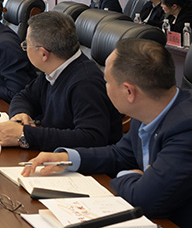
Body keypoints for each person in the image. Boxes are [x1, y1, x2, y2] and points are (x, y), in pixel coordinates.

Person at [22, 39, 192, 226]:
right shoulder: (147, 109)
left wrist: (126, 176)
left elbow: (145, 199)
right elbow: (120, 154)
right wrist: (67, 158)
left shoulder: (185, 128)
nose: (104, 86)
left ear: (129, 92)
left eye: (107, 82)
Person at [0, 11, 122, 151]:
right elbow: (24, 96)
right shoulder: (54, 69)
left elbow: (92, 138)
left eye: (27, 44)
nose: (25, 48)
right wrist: (20, 113)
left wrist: (27, 135)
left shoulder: (86, 83)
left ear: (43, 54)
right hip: (52, 152)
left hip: (80, 162)